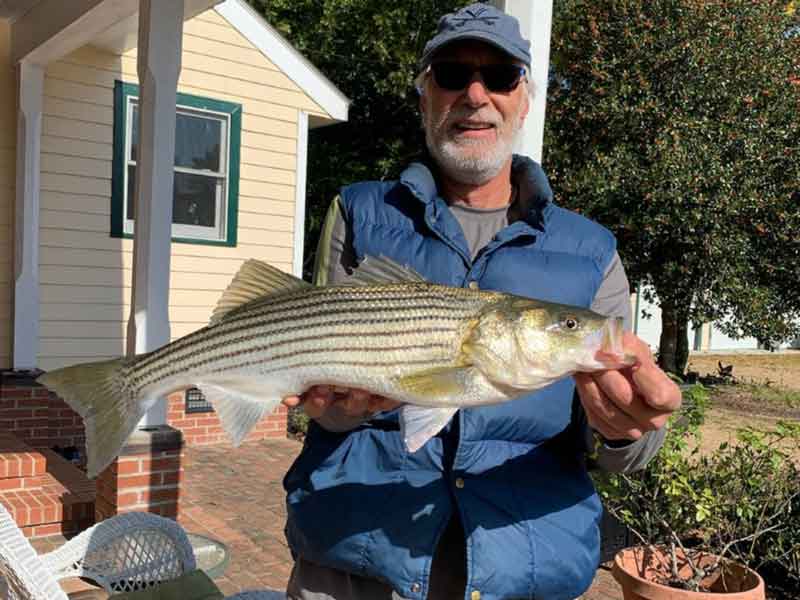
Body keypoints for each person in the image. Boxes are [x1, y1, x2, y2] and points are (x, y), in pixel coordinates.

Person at [281, 4, 682, 599]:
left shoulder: (592, 250)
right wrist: (339, 407)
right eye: (451, 74)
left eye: (500, 76)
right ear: (424, 96)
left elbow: (625, 451)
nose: (475, 94)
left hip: (525, 571)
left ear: (525, 99)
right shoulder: (359, 212)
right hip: (356, 563)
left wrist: (626, 432)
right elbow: (329, 407)